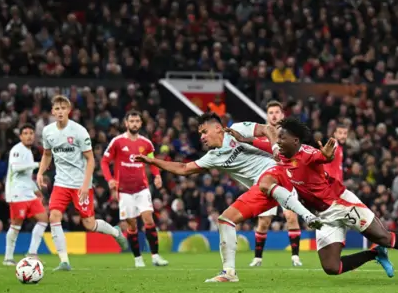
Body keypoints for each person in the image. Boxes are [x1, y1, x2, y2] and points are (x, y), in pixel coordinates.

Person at [227, 117, 398, 281]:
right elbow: (261, 143)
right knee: (332, 268)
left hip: (341, 204)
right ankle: (374, 255)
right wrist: (243, 139)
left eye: (282, 138)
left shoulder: (309, 154)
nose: (277, 141)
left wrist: (328, 156)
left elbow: (324, 157)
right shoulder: (281, 152)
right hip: (322, 216)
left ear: (295, 140)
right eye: (278, 137)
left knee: (385, 238)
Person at [135, 112, 322, 283]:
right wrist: (153, 161)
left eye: (204, 132)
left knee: (267, 183)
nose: (202, 137)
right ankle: (229, 272)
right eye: (200, 134)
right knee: (225, 220)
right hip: (264, 190)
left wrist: (274, 148)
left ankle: (307, 216)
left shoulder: (238, 129)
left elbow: (268, 129)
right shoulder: (213, 156)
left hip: (278, 170)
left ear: (217, 128)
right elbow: (183, 169)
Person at [37, 95, 128, 271]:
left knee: (89, 224)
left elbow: (91, 160)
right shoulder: (48, 131)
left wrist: (86, 185)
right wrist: (40, 172)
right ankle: (64, 262)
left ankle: (115, 232)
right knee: (54, 216)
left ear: (69, 110)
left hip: (80, 184)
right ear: (53, 112)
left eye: (63, 108)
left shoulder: (79, 131)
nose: (60, 111)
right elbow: (47, 154)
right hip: (61, 183)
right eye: (57, 108)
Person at [101, 110, 169, 268]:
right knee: (132, 225)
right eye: (131, 121)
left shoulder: (146, 143)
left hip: (142, 189)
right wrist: (110, 180)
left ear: (141, 123)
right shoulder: (117, 142)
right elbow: (104, 162)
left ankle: (155, 256)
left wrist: (157, 176)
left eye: (137, 121)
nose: (134, 124)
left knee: (149, 220)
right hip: (124, 191)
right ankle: (138, 259)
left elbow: (152, 162)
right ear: (126, 124)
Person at [249, 101, 303, 267]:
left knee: (291, 217)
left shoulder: (290, 134)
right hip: (266, 181)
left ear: (282, 115)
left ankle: (295, 257)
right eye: (271, 112)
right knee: (264, 221)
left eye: (277, 112)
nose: (274, 115)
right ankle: (257, 258)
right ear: (267, 116)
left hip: (286, 180)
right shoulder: (261, 134)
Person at [3, 124, 48, 266]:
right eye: (25, 133)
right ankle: (8, 257)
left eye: (31, 133)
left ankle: (32, 253)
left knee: (43, 219)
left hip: (28, 193)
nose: (28, 136)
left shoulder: (29, 152)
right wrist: (37, 165)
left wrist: (36, 189)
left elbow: (26, 176)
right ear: (20, 136)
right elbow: (16, 168)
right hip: (16, 193)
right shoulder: (17, 150)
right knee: (16, 225)